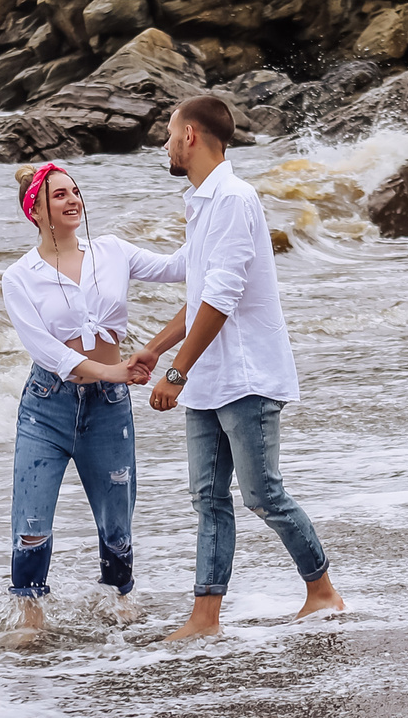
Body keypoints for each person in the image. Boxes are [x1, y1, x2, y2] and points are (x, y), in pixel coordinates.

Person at [132, 95, 345, 640]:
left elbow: (221, 298)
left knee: (262, 494)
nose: (164, 142)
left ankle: (322, 592)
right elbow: (197, 283)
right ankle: (205, 617)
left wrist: (174, 374)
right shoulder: (202, 200)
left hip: (245, 374)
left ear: (190, 137)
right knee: (207, 497)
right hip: (210, 377)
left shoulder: (232, 198)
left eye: (169, 131)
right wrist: (155, 350)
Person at [0, 162, 184, 642]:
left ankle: (118, 598)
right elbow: (44, 348)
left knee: (117, 525)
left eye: (76, 191)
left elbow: (177, 268)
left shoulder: (112, 251)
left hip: (109, 407)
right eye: (60, 195)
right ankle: (30, 618)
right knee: (32, 524)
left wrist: (214, 219)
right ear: (35, 210)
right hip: (47, 406)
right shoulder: (20, 276)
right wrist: (110, 369)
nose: (73, 200)